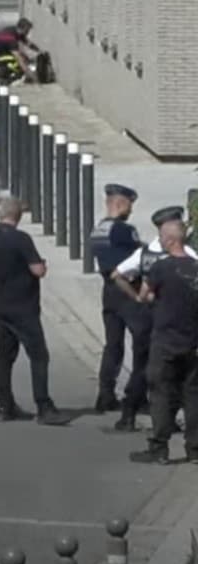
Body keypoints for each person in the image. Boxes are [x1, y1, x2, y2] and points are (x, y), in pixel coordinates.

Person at [0, 197, 69, 425]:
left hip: (0, 305)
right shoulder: (21, 239)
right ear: (18, 216)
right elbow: (37, 270)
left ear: (1, 214)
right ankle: (43, 405)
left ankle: (5, 404)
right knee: (39, 355)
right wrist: (43, 265)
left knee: (5, 355)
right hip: (23, 307)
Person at [111, 206, 198, 431]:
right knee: (179, 376)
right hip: (176, 323)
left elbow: (117, 275)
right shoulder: (188, 254)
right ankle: (168, 422)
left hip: (147, 318)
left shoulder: (145, 251)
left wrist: (137, 298)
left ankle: (128, 415)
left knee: (142, 368)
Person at [129, 219, 198, 465]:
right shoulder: (196, 267)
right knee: (192, 395)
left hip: (165, 339)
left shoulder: (160, 268)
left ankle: (159, 448)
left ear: (169, 240)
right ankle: (194, 449)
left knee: (160, 393)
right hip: (192, 340)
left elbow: (144, 295)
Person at [89, 184, 147, 423]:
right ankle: (137, 396)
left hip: (108, 293)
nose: (131, 210)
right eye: (130, 205)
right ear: (121, 204)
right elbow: (138, 259)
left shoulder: (99, 229)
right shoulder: (124, 230)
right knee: (143, 342)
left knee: (113, 345)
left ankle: (105, 394)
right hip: (127, 291)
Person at [0, 17, 37, 84]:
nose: (28, 32)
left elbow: (28, 43)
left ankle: (3, 75)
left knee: (21, 59)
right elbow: (19, 58)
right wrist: (29, 74)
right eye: (27, 30)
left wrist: (39, 51)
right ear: (22, 28)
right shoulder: (11, 39)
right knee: (15, 60)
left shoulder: (15, 30)